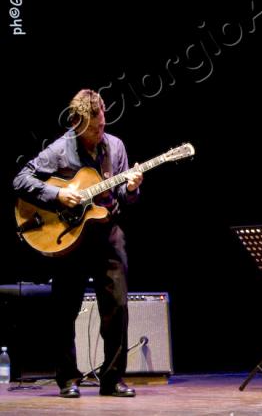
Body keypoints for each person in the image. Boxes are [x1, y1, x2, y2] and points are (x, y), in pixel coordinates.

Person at [12, 89, 143, 398]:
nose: (99, 133)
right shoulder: (59, 150)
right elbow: (20, 180)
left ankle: (112, 380)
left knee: (118, 307)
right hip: (70, 238)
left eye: (102, 125)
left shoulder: (115, 147)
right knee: (64, 310)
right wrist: (58, 194)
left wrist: (131, 189)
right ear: (76, 125)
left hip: (107, 233)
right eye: (93, 129)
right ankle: (67, 379)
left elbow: (124, 198)